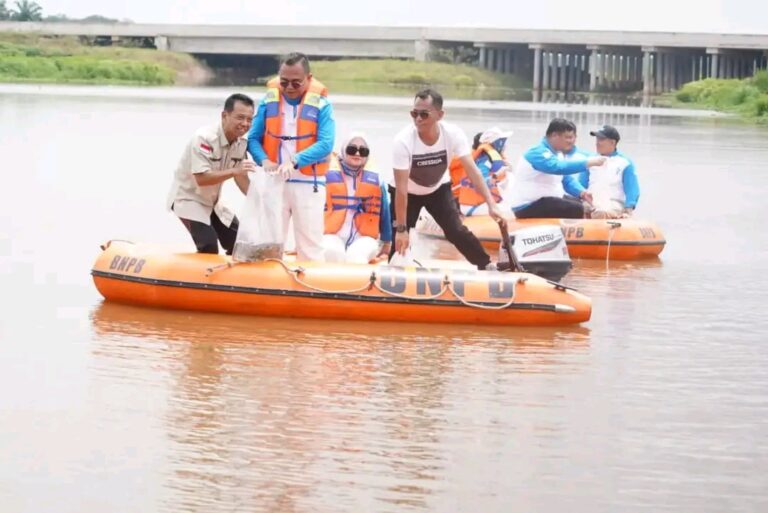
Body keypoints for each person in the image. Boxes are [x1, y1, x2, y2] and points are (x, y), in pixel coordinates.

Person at [390, 88, 506, 270]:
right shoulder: (403, 141)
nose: (418, 119)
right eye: (414, 113)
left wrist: (491, 204)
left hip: (438, 188)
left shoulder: (453, 134)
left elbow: (473, 171)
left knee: (456, 230)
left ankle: (486, 265)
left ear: (440, 115)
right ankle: (393, 270)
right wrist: (401, 229)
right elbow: (401, 190)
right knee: (400, 238)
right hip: (407, 194)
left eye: (424, 114)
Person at [247, 52, 335, 262]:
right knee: (270, 242)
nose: (289, 88)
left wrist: (295, 160)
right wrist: (264, 160)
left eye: (296, 83)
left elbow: (326, 144)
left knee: (310, 246)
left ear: (309, 78)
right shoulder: (268, 101)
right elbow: (253, 138)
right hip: (274, 181)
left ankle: (312, 289)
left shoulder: (322, 105)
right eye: (284, 82)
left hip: (308, 182)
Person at [166, 93, 255, 254]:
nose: (245, 124)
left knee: (242, 245)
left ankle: (230, 277)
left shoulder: (241, 142)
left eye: (249, 119)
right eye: (240, 118)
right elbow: (202, 178)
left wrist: (260, 200)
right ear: (224, 115)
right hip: (188, 199)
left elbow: (241, 177)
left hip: (214, 203)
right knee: (208, 247)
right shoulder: (204, 138)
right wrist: (234, 171)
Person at [508, 118, 606, 219]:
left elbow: (566, 180)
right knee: (576, 208)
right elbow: (556, 168)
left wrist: (582, 192)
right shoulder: (537, 153)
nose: (571, 141)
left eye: (572, 137)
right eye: (567, 137)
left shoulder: (558, 154)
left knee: (580, 203)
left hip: (547, 201)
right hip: (527, 206)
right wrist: (588, 163)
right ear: (554, 135)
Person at [322, 133, 392, 264]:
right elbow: (311, 209)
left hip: (364, 238)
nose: (358, 154)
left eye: (363, 151)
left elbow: (385, 213)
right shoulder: (325, 177)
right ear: (344, 150)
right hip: (333, 235)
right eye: (352, 149)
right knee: (333, 252)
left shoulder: (377, 182)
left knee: (356, 256)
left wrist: (387, 241)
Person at [449, 126, 512, 216]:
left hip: (469, 201)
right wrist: (496, 175)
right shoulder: (483, 160)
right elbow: (481, 181)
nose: (504, 144)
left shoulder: (485, 157)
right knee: (508, 209)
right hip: (470, 204)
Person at [580, 125, 640, 218]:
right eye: (597, 139)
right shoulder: (590, 161)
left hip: (613, 203)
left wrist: (628, 210)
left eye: (601, 139)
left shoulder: (625, 163)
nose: (597, 143)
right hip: (590, 202)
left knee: (600, 212)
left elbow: (632, 189)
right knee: (573, 209)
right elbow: (580, 185)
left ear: (612, 142)